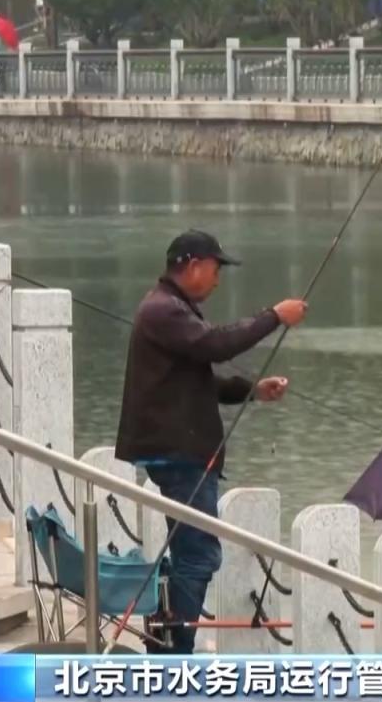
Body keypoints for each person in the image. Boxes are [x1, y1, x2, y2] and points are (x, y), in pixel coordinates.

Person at [115, 229, 308, 654]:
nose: (218, 279)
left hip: (180, 453)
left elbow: (198, 379)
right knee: (199, 555)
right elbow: (216, 345)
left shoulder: (171, 309)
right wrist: (274, 316)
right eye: (216, 268)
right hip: (180, 456)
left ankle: (165, 642)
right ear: (193, 265)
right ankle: (174, 652)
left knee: (187, 553)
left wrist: (253, 390)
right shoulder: (164, 310)